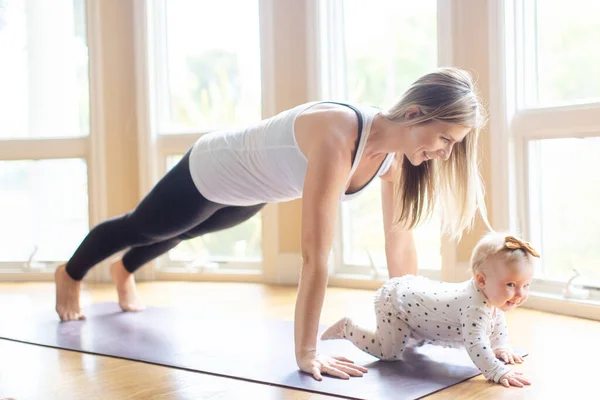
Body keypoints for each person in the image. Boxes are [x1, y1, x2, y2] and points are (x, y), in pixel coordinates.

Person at [54, 67, 487, 381]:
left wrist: (405, 313)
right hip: (213, 168)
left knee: (183, 232)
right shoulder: (340, 134)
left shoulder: (393, 161)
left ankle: (123, 269)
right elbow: (315, 256)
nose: (445, 153)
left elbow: (400, 242)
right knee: (144, 227)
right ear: (414, 115)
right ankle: (70, 274)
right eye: (446, 139)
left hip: (256, 191)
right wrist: (307, 352)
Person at [321, 232, 536, 388]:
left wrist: (500, 346)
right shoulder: (474, 307)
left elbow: (497, 322)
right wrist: (497, 371)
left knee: (412, 346)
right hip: (396, 304)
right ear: (481, 280)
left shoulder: (489, 297)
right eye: (511, 285)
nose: (520, 294)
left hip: (416, 301)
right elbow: (476, 344)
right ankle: (348, 328)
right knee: (390, 353)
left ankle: (413, 333)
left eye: (525, 285)